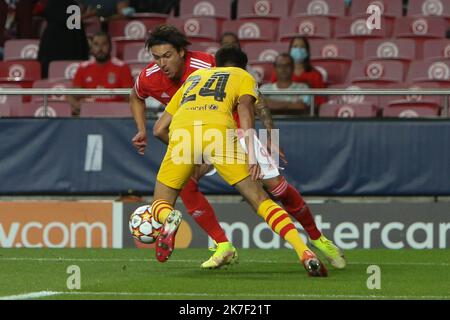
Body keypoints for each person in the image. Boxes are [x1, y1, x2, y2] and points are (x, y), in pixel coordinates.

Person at [139, 45, 328, 277]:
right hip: (221, 134)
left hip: (183, 135)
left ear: (215, 64)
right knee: (260, 200)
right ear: (243, 65)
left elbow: (158, 129)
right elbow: (247, 111)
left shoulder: (195, 77)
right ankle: (304, 251)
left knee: (160, 203)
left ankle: (170, 217)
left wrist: (191, 154)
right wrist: (251, 155)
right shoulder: (243, 76)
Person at [130, 25, 239, 269]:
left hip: (223, 131)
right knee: (187, 185)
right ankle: (223, 245)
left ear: (182, 52)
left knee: (265, 188)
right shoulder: (149, 76)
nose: (162, 63)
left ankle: (311, 239)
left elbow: (238, 92)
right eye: (156, 58)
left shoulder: (206, 65)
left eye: (167, 56)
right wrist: (141, 129)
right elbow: (135, 96)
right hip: (189, 138)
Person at [68, 31, 134, 116]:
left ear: (110, 47)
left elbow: (131, 97)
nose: (100, 48)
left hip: (115, 115)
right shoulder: (83, 68)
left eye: (104, 44)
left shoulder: (122, 67)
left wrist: (119, 110)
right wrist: (81, 109)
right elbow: (72, 95)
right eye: (96, 44)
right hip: (90, 114)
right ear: (91, 48)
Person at [37, 0, 93, 78]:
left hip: (52, 54)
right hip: (71, 54)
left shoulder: (52, 6)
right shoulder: (72, 6)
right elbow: (78, 35)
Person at [271, 36, 326, 109]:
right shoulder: (277, 74)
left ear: (307, 51)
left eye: (302, 47)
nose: (298, 50)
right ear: (290, 50)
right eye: (295, 46)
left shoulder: (316, 75)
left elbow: (320, 100)